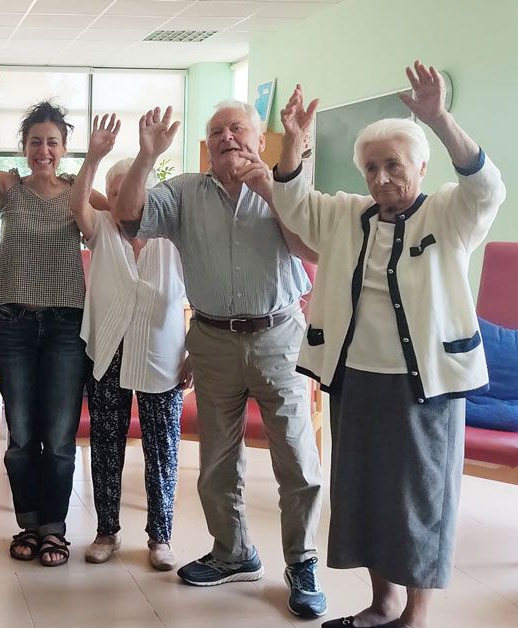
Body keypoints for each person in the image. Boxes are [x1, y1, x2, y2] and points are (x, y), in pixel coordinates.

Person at [258, 62, 507, 628]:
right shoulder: (347, 215)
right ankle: (383, 602)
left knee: (421, 500)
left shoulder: (451, 213)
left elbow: (487, 185)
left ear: (420, 165)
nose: (382, 177)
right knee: (366, 494)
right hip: (357, 378)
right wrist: (293, 145)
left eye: (393, 165)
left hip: (429, 384)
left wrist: (440, 118)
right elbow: (293, 205)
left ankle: (415, 615)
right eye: (371, 167)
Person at [115, 101, 326, 616]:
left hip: (277, 336)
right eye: (216, 132)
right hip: (211, 339)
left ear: (258, 139)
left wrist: (272, 191)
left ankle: (302, 562)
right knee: (216, 461)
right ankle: (233, 552)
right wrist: (145, 158)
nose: (227, 137)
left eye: (238, 128)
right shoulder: (185, 191)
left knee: (296, 459)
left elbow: (311, 248)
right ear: (207, 146)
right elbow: (128, 220)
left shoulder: (286, 184)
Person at [0, 63, 88, 567]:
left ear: (64, 147)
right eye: (35, 141)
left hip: (65, 327)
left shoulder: (78, 190)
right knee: (22, 433)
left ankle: (54, 528)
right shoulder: (9, 187)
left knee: (57, 435)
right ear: (24, 147)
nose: (43, 150)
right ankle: (28, 524)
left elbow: (117, 216)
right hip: (12, 324)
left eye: (52, 142)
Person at [69, 114, 190, 569]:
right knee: (105, 443)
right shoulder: (100, 228)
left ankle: (161, 537)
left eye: (130, 193)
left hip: (163, 355)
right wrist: (94, 158)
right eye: (115, 192)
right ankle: (107, 531)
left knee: (163, 447)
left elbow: (202, 295)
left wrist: (194, 347)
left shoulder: (173, 239)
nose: (122, 201)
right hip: (106, 353)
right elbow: (77, 204)